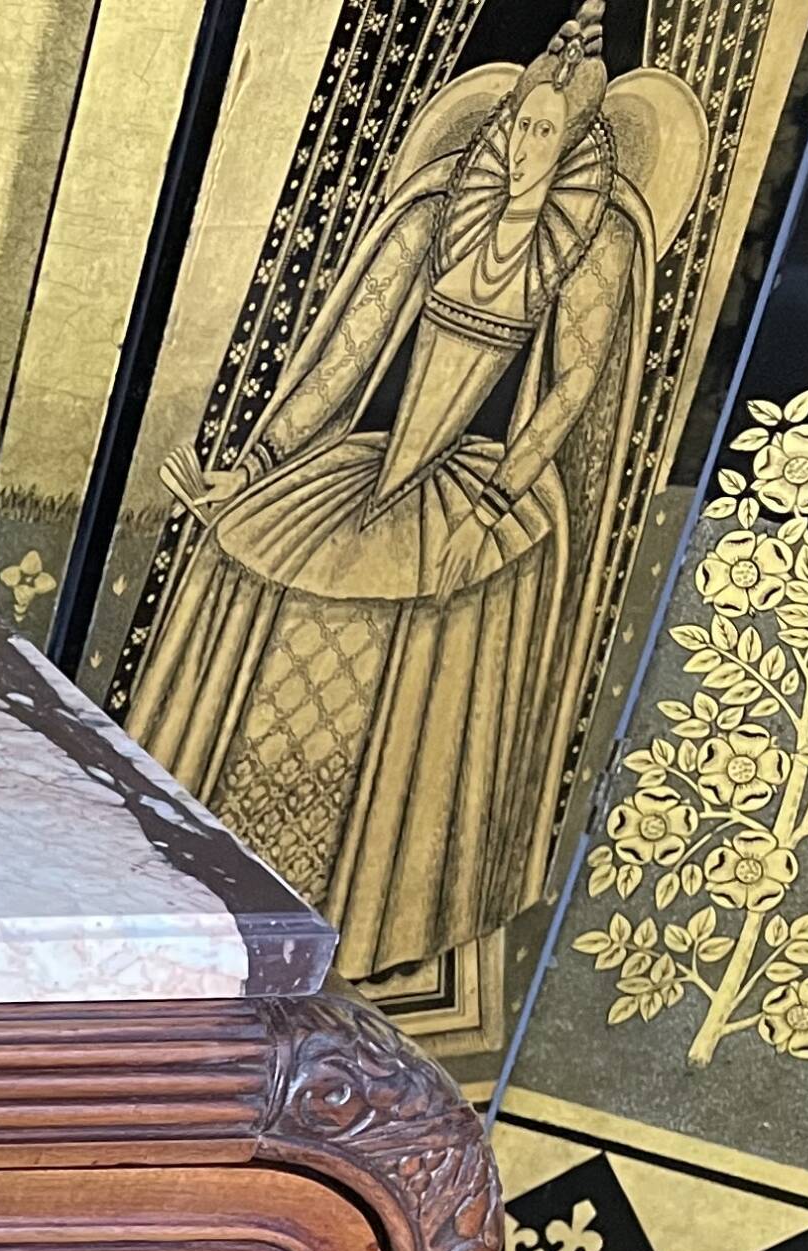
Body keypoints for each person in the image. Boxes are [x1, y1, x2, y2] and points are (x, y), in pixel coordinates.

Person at [126, 6, 697, 1007]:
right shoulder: (445, 207)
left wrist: (502, 497)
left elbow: (569, 387)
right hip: (369, 469)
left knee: (420, 618)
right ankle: (197, 882)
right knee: (256, 560)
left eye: (543, 133)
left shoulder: (590, 243)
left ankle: (364, 921)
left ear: (576, 147)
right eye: (516, 124)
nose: (522, 147)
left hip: (483, 485)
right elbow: (346, 350)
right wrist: (256, 464)